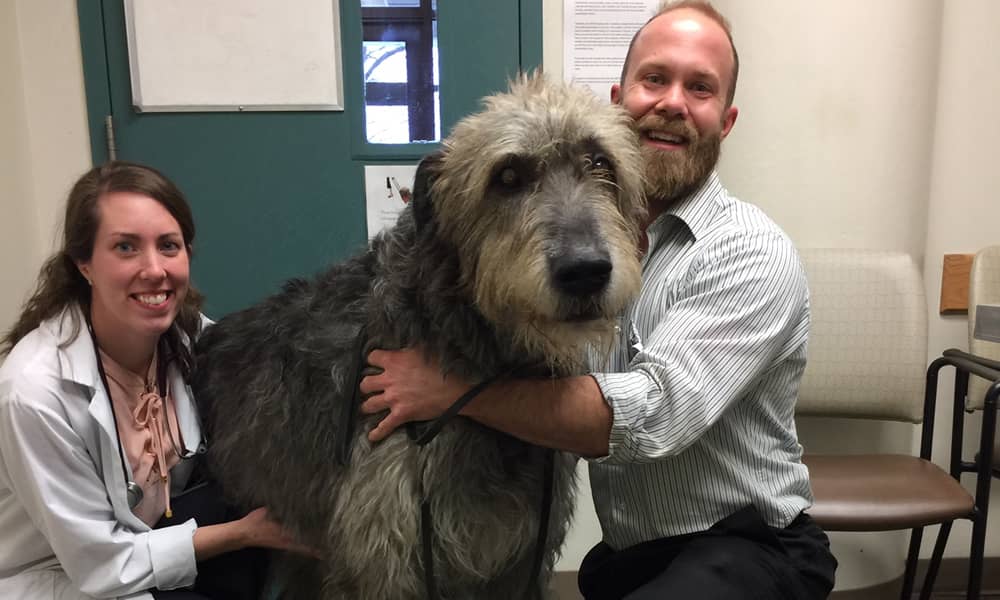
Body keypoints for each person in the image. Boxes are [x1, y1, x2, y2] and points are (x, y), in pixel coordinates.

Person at [358, 1, 838, 598]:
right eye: (655, 79)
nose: (672, 102)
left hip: (751, 548)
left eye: (700, 88)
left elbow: (655, 415)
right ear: (620, 99)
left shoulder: (749, 250)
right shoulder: (611, 239)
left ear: (727, 119)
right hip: (633, 554)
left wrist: (456, 392)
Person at [0, 161, 309, 600]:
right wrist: (244, 533)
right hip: (73, 577)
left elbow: (278, 366)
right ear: (83, 264)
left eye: (168, 246)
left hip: (152, 533)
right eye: (126, 247)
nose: (154, 269)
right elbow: (103, 564)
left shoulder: (184, 335)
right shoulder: (34, 393)